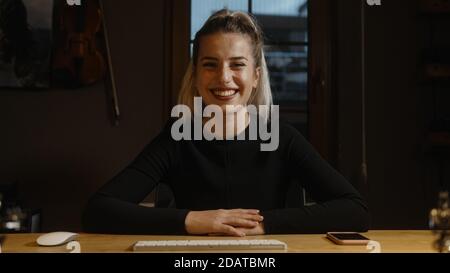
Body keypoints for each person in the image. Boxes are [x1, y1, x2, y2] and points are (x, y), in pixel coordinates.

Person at [82, 9, 369, 236]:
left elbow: (354, 210)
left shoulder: (281, 136)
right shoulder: (177, 137)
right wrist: (194, 220)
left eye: (237, 64)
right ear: (195, 75)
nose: (223, 77)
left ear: (255, 76)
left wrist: (263, 224)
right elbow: (98, 210)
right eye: (210, 64)